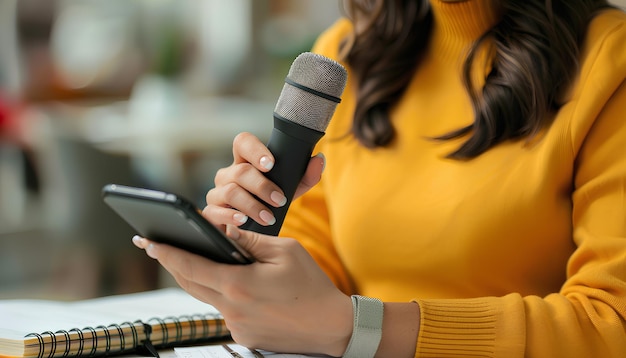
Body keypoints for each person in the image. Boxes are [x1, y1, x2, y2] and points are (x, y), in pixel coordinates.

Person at [132, 0, 626, 356]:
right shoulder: (345, 58)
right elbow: (321, 268)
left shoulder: (609, 60)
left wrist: (357, 328)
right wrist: (249, 255)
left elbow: (613, 324)